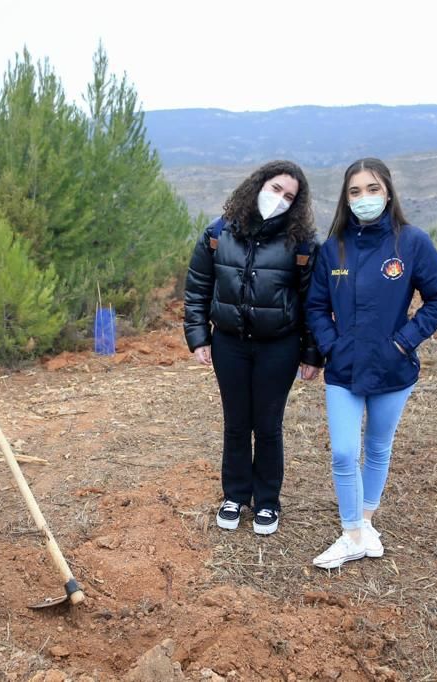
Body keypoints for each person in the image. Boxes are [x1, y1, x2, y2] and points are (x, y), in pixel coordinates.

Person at [305, 158, 437, 569]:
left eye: (372, 189)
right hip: (344, 368)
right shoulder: (333, 247)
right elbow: (316, 305)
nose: (364, 198)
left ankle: (365, 523)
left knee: (376, 447)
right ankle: (352, 532)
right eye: (355, 192)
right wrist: (331, 346)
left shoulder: (411, 243)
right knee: (342, 452)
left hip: (393, 368)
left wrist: (404, 342)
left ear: (388, 192)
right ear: (345, 198)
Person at [184, 160, 323, 536]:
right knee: (236, 422)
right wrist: (199, 336)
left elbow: (314, 301)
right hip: (229, 343)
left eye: (289, 196)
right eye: (275, 188)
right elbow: (198, 287)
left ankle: (266, 501)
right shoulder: (218, 232)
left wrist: (312, 353)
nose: (279, 199)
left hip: (278, 347)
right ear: (258, 185)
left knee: (267, 425)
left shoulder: (302, 245)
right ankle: (234, 495)